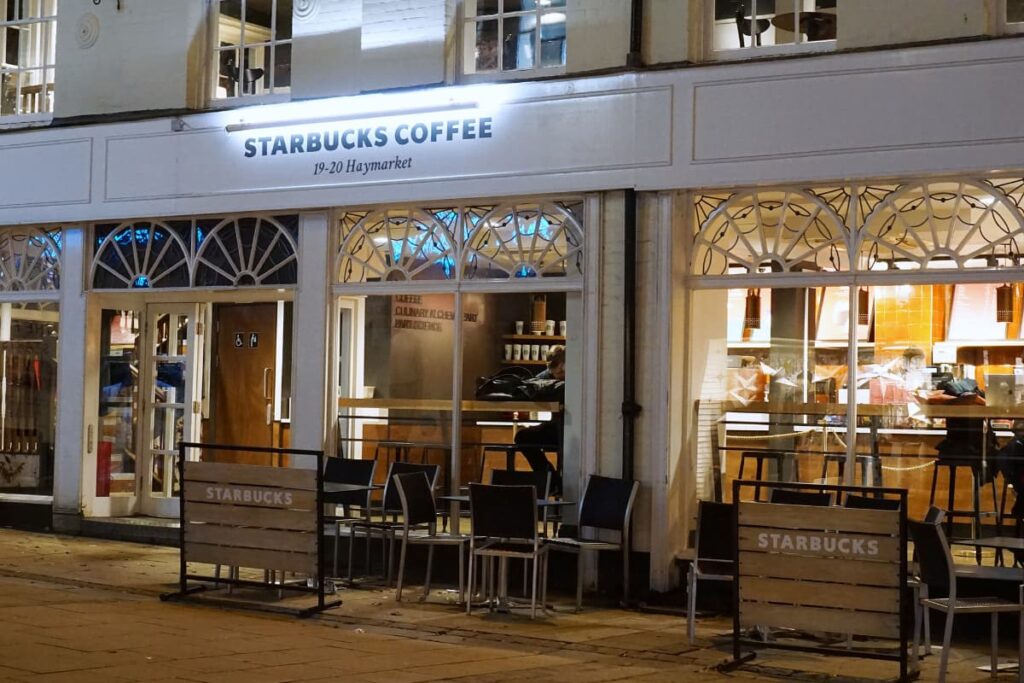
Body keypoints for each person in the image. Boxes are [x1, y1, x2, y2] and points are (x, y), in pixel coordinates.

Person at [514, 345, 565, 495]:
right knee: (522, 437)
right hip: (556, 428)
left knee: (566, 446)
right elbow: (528, 385)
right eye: (554, 373)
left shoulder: (579, 375)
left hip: (573, 431)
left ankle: (559, 484)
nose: (558, 375)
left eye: (562, 371)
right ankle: (551, 480)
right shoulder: (547, 375)